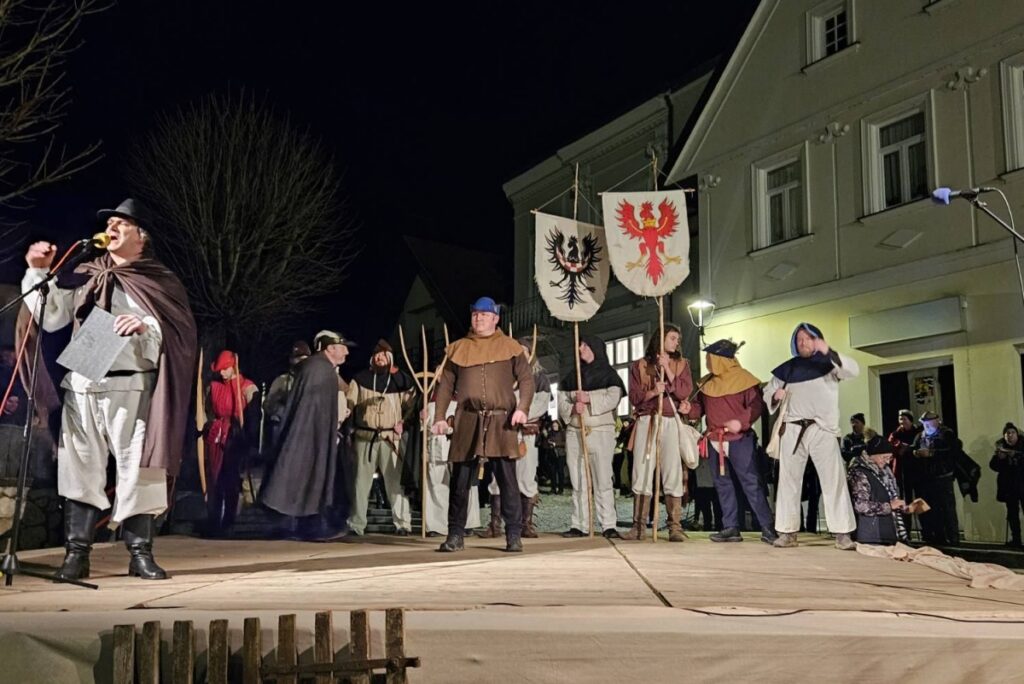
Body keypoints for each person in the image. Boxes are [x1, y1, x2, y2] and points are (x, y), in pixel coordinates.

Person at [22, 198, 197, 580]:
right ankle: (76, 554)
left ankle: (140, 553)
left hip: (131, 385)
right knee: (79, 466)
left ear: (141, 236)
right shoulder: (87, 271)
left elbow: (177, 334)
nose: (112, 228)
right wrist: (37, 272)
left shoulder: (158, 280)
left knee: (139, 467)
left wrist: (145, 326)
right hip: (84, 381)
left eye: (122, 223)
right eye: (110, 223)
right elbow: (52, 318)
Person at [430, 296, 534, 553]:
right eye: (475, 314)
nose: (478, 318)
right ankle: (455, 535)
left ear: (495, 318)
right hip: (467, 419)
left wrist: (522, 409)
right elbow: (446, 386)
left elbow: (526, 380)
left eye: (484, 315)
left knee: (508, 481)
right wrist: (439, 417)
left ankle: (513, 535)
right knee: (460, 481)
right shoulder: (458, 348)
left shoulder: (510, 347)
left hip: (501, 420)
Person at [764, 322, 857, 550]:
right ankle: (787, 531)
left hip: (822, 428)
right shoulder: (788, 369)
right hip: (792, 428)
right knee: (788, 481)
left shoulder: (830, 364)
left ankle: (842, 533)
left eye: (808, 338)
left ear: (817, 340)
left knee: (833, 480)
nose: (803, 342)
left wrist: (829, 351)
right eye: (799, 339)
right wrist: (775, 396)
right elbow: (768, 392)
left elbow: (852, 370)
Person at [260, 330, 352, 539]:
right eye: (342, 347)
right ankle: (304, 526)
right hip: (308, 439)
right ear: (330, 348)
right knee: (306, 476)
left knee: (306, 477)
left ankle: (303, 525)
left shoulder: (319, 368)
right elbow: (309, 410)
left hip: (310, 437)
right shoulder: (320, 369)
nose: (346, 352)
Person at [688, 339, 776, 544]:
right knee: (722, 484)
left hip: (739, 440)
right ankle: (730, 527)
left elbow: (756, 406)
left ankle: (767, 526)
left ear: (721, 359)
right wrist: (689, 409)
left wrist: (741, 422)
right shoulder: (706, 383)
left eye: (710, 357)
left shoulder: (744, 380)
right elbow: (699, 409)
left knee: (751, 483)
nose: (707, 361)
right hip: (714, 440)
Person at [622, 324, 693, 542]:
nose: (676, 342)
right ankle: (638, 527)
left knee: (672, 471)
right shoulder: (640, 365)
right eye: (672, 338)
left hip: (670, 421)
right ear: (660, 338)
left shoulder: (682, 364)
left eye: (677, 339)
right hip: (647, 420)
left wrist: (668, 369)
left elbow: (684, 391)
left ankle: (674, 527)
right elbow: (634, 397)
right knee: (642, 471)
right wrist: (653, 391)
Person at [480, 337, 550, 539]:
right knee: (498, 477)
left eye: (523, 351)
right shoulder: (505, 376)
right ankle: (495, 525)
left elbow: (541, 404)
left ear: (530, 354)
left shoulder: (539, 378)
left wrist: (521, 414)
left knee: (526, 477)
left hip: (525, 433)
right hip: (505, 432)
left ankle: (525, 524)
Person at [557, 335, 625, 539]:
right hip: (575, 431)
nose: (580, 349)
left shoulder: (609, 375)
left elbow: (613, 398)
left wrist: (589, 398)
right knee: (578, 480)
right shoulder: (572, 376)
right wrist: (572, 408)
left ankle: (608, 524)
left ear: (595, 348)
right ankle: (580, 524)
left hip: (600, 431)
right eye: (580, 345)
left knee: (603, 479)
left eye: (585, 345)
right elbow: (561, 402)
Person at [345, 340, 414, 537]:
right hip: (365, 436)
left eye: (383, 355)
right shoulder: (360, 379)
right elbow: (350, 401)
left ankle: (403, 523)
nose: (379, 358)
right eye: (377, 355)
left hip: (390, 437)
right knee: (360, 482)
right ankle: (356, 524)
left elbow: (412, 404)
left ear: (390, 357)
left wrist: (405, 422)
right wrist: (346, 413)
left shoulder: (401, 381)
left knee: (396, 483)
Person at [203, 350, 257, 535]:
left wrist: (249, 437)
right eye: (220, 370)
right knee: (215, 477)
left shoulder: (247, 387)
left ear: (233, 367)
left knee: (231, 478)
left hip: (235, 435)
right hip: (217, 433)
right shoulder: (214, 387)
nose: (222, 373)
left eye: (225, 369)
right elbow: (207, 411)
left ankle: (229, 521)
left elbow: (253, 415)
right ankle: (214, 519)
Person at [423, 393, 481, 536]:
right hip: (437, 443)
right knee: (437, 484)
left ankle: (467, 523)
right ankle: (437, 525)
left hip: (462, 441)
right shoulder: (430, 394)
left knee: (465, 483)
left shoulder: (467, 390)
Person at [909, 411, 960, 546]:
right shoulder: (920, 436)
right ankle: (934, 536)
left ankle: (952, 537)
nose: (926, 425)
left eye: (929, 422)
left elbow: (953, 452)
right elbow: (912, 449)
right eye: (924, 423)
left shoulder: (947, 434)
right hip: (925, 478)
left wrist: (932, 453)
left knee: (946, 508)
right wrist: (915, 453)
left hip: (942, 477)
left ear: (937, 421)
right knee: (929, 508)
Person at [847, 434, 909, 545]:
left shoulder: (885, 471)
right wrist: (889, 506)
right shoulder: (859, 473)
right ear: (873, 455)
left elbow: (890, 496)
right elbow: (861, 505)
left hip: (887, 534)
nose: (887, 461)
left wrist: (900, 506)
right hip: (870, 536)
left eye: (889, 458)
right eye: (884, 457)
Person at [263, 341, 311, 448]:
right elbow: (268, 405)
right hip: (284, 426)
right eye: (297, 358)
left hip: (305, 428)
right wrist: (282, 407)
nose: (300, 362)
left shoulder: (313, 381)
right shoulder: (282, 380)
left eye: (304, 359)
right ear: (291, 360)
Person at [990, 422, 1024, 547]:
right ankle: (1016, 539)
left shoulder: (1022, 446)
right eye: (1007, 433)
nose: (1010, 435)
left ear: (1017, 434)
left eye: (1012, 433)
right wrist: (1000, 459)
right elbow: (993, 466)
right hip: (1009, 487)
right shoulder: (1001, 447)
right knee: (1012, 514)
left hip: (1022, 484)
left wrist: (1017, 456)